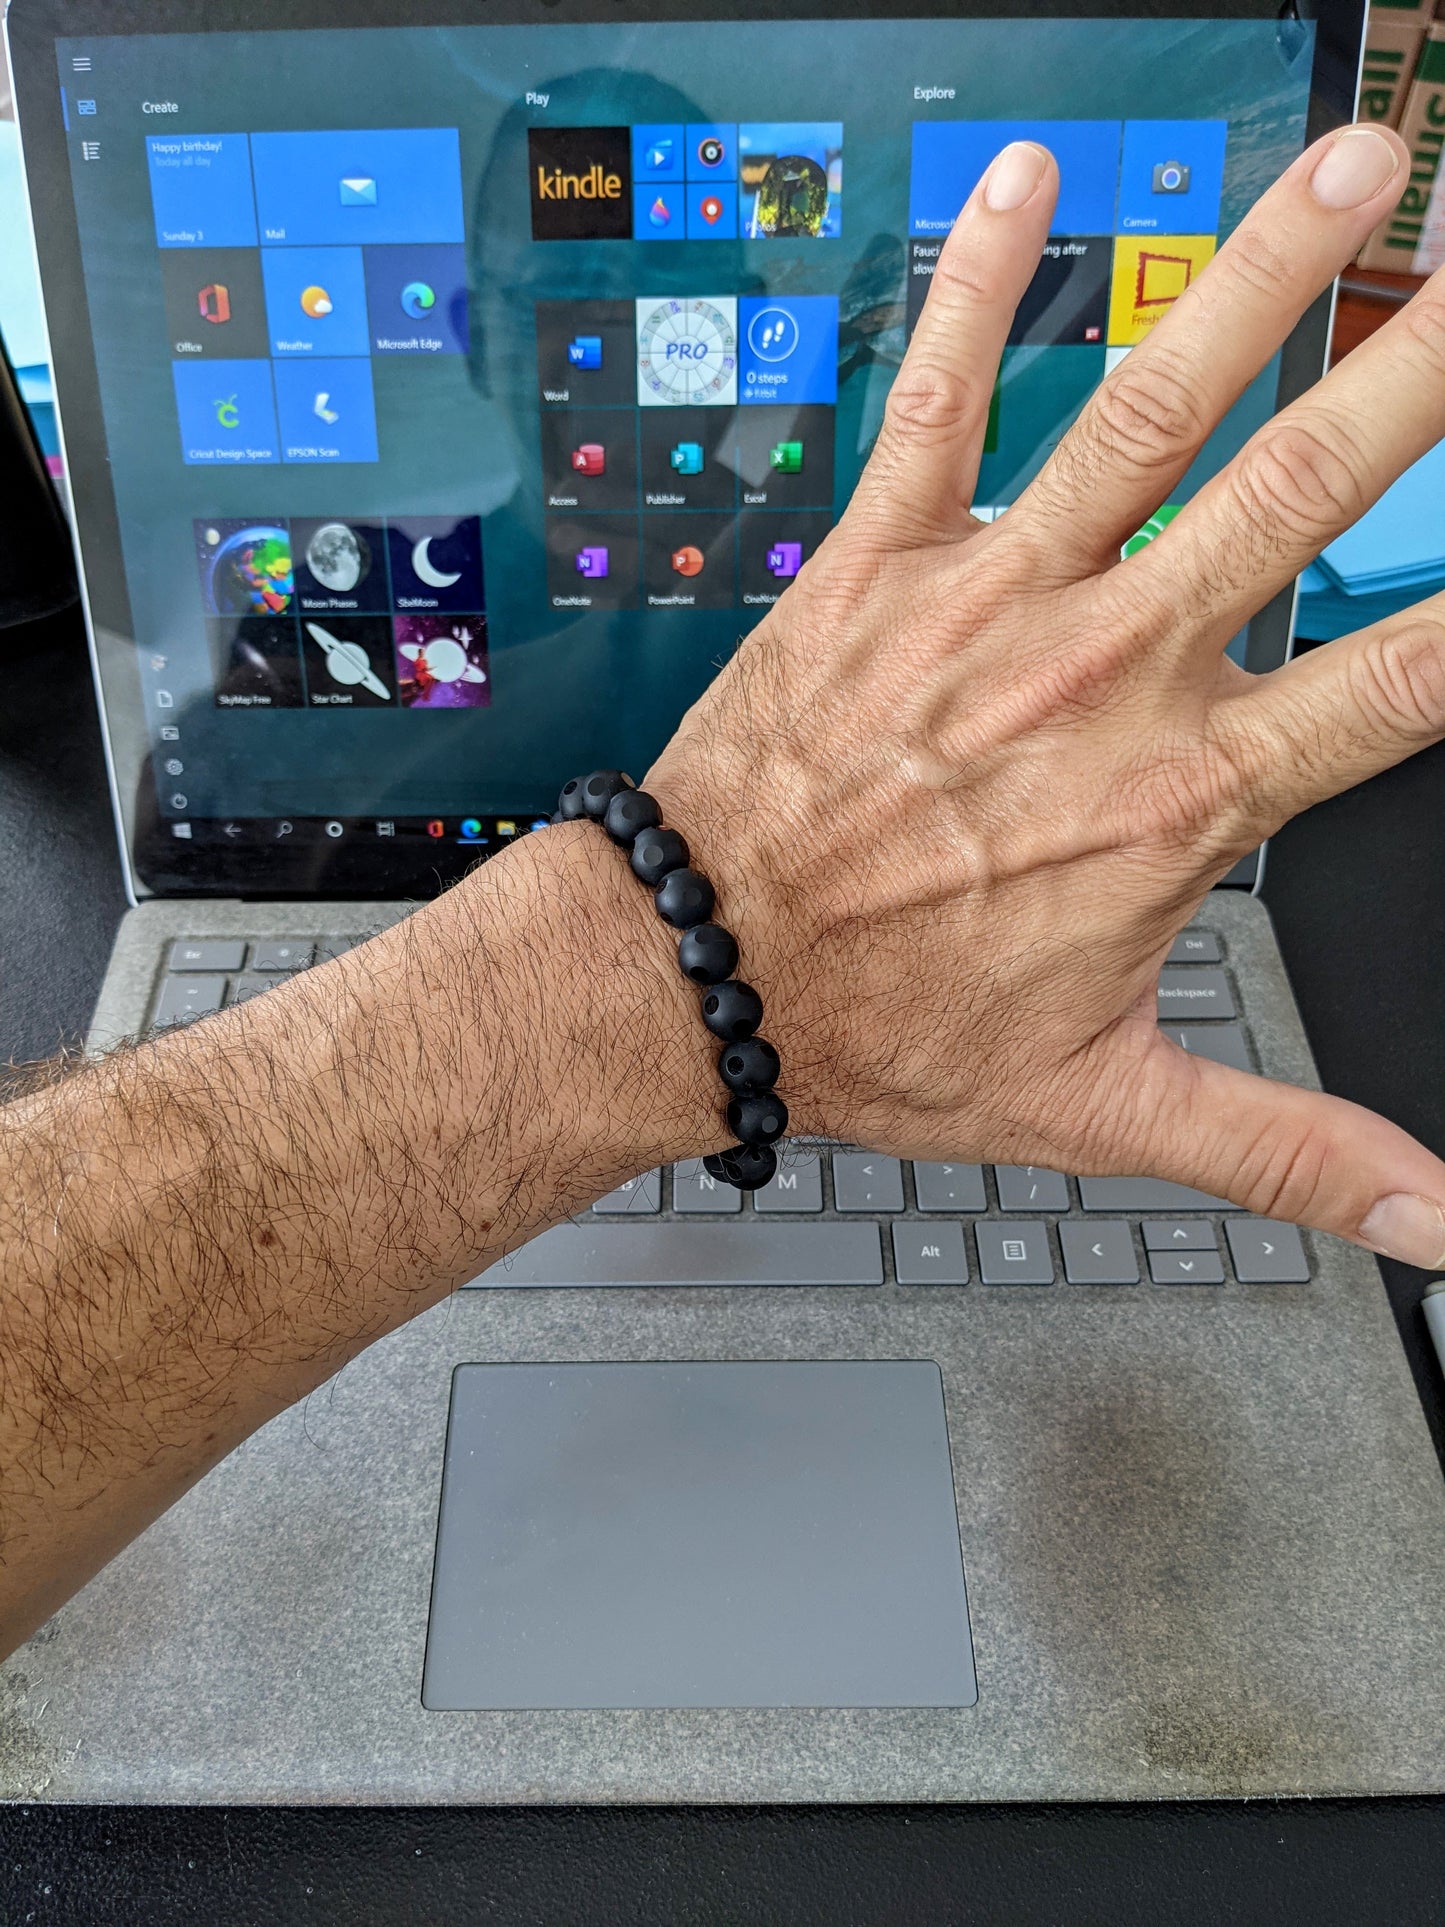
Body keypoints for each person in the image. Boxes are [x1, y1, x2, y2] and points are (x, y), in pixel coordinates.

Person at [2, 125, 1443, 1663]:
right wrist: (691, 915)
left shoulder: (951, 569)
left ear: (758, 311)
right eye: (567, 296)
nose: (625, 340)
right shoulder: (334, 638)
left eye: (680, 284)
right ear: (477, 331)